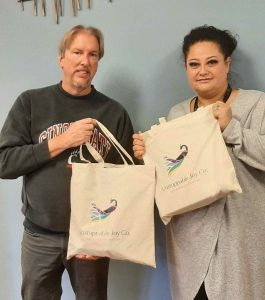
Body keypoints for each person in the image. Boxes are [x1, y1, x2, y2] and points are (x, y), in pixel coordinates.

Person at [0, 25, 135, 300]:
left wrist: (102, 236)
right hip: (40, 236)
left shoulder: (114, 112)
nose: (85, 61)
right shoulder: (30, 103)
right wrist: (61, 141)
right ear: (61, 58)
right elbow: (4, 163)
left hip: (91, 238)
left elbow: (127, 184)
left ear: (98, 61)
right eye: (77, 52)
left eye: (93, 54)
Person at [133, 25, 265, 300]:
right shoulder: (178, 113)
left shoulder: (256, 104)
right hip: (189, 241)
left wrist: (233, 128)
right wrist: (147, 155)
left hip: (240, 238)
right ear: (186, 68)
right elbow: (169, 177)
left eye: (212, 62)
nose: (202, 70)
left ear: (227, 64)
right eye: (194, 64)